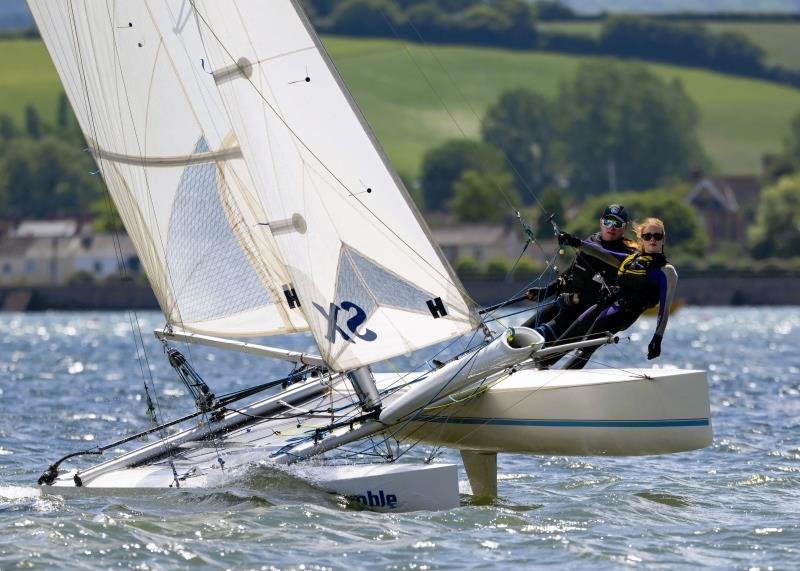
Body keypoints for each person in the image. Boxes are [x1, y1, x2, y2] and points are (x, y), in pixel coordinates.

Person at [556, 217, 678, 369]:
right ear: (642, 239)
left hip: (622, 313)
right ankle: (539, 366)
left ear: (663, 239)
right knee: (564, 341)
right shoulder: (629, 259)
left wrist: (657, 338)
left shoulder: (666, 271)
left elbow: (664, 310)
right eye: (648, 236)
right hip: (604, 304)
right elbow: (599, 252)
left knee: (585, 347)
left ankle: (558, 384)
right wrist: (574, 242)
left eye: (657, 236)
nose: (652, 239)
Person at [522, 204, 637, 346]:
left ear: (625, 228)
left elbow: (607, 295)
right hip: (562, 301)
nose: (611, 227)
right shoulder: (592, 240)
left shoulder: (626, 255)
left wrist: (575, 299)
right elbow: (572, 271)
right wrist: (546, 291)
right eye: (608, 222)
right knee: (521, 331)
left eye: (617, 223)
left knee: (538, 336)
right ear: (601, 222)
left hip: (580, 313)